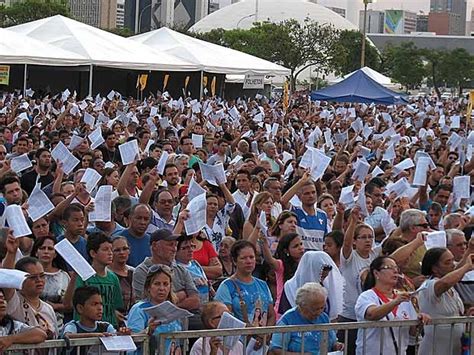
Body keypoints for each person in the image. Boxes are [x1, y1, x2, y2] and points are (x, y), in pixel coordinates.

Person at [355, 256, 430, 355]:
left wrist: (419, 321)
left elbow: (412, 335)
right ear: (376, 273)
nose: (395, 271)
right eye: (389, 267)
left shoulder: (405, 299)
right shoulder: (367, 296)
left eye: (396, 268)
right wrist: (395, 302)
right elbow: (371, 314)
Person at [339, 206, 381, 355]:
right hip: (349, 316)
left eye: (370, 237)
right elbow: (346, 244)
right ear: (355, 241)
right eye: (363, 237)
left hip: (370, 315)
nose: (368, 240)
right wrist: (353, 222)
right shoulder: (349, 258)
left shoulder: (375, 256)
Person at [418, 247, 474, 355]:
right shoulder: (428, 285)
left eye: (453, 260)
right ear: (435, 268)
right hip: (435, 349)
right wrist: (466, 267)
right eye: (448, 262)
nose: (453, 265)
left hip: (454, 348)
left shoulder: (451, 288)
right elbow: (445, 283)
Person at [2, 232, 58, 339]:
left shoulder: (49, 309)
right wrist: (11, 253)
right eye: (33, 277)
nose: (39, 281)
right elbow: (7, 278)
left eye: (42, 276)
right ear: (20, 280)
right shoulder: (14, 301)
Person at [132, 229, 200, 313]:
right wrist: (181, 295)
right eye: (170, 245)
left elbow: (195, 301)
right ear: (154, 246)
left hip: (182, 323)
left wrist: (171, 306)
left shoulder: (181, 269)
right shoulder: (141, 271)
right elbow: (147, 306)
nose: (174, 249)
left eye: (176, 245)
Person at [64, 232, 124, 328]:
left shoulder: (113, 278)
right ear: (93, 253)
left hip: (108, 329)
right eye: (105, 249)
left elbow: (117, 306)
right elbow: (68, 304)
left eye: (111, 249)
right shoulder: (83, 276)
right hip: (86, 329)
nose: (110, 253)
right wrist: (74, 276)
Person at [214, 240, 276, 330]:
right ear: (235, 261)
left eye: (251, 257)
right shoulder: (226, 286)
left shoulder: (263, 285)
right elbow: (226, 318)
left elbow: (271, 315)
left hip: (263, 341)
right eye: (243, 258)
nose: (249, 261)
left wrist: (266, 333)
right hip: (238, 341)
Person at [270, 283, 342, 355]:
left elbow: (333, 342)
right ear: (302, 306)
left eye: (322, 308)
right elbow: (276, 350)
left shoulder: (324, 317)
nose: (319, 312)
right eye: (315, 309)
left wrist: (338, 346)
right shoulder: (288, 320)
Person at [128, 265, 183, 355]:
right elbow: (132, 340)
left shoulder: (173, 309)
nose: (161, 288)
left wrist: (177, 348)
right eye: (157, 284)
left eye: (165, 284)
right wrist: (148, 331)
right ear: (149, 287)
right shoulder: (139, 309)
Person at [279, 251, 343, 321]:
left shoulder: (326, 288)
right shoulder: (290, 288)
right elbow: (284, 314)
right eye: (321, 274)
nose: (325, 276)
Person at [30, 236, 71, 330]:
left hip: (58, 327)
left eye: (50, 249)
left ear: (55, 254)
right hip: (32, 326)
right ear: (36, 252)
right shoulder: (27, 274)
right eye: (42, 248)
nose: (46, 251)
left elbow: (71, 305)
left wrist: (55, 306)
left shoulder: (64, 276)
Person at [281, 171, 329, 251]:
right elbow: (283, 201)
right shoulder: (295, 211)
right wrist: (301, 181)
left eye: (313, 192)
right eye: (307, 193)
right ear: (299, 196)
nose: (311, 196)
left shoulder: (322, 214)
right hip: (301, 259)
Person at [175, 234, 210, 304]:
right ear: (176, 251)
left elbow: (207, 284)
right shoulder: (176, 268)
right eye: (185, 248)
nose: (190, 250)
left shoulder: (195, 263)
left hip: (205, 304)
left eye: (192, 246)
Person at [108, 236, 135, 313]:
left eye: (125, 249)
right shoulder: (106, 273)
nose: (122, 253)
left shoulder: (134, 272)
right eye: (117, 250)